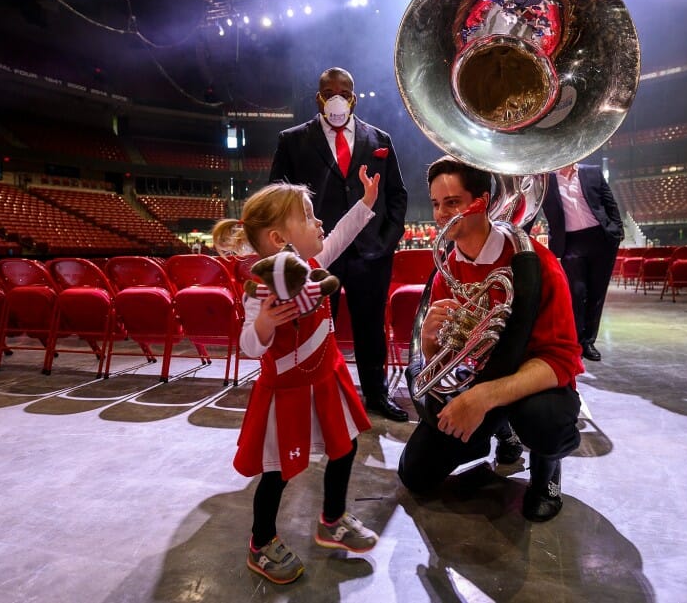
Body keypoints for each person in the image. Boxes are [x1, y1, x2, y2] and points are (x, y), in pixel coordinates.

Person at [210, 166, 383, 584]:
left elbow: (340, 234)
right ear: (278, 240)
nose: (319, 221)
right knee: (278, 472)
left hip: (325, 379)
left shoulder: (311, 265)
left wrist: (366, 204)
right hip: (285, 391)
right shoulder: (263, 289)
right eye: (308, 216)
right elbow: (249, 345)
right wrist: (266, 323)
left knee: (345, 447)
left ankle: (332, 519)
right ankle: (261, 542)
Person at [398, 157, 583, 521]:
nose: (440, 215)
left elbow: (563, 360)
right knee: (415, 475)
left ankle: (547, 471)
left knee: (545, 420)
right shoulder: (445, 271)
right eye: (436, 204)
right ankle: (495, 433)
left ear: (482, 200)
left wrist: (485, 396)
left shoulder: (538, 262)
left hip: (531, 386)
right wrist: (431, 340)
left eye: (452, 202)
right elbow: (439, 362)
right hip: (479, 380)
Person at [270, 67, 410, 421]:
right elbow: (277, 198)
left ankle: (376, 394)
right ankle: (317, 392)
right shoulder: (292, 140)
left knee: (370, 326)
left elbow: (397, 195)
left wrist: (387, 241)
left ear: (354, 97)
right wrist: (294, 249)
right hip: (317, 253)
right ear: (318, 97)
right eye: (328, 90)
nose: (336, 96)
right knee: (315, 324)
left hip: (371, 251)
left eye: (343, 91)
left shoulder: (380, 139)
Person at [539, 162, 624, 361]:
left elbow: (610, 204)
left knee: (596, 294)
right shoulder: (545, 181)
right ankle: (575, 342)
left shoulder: (592, 172)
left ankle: (588, 342)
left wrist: (616, 232)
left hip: (600, 239)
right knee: (576, 294)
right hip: (570, 243)